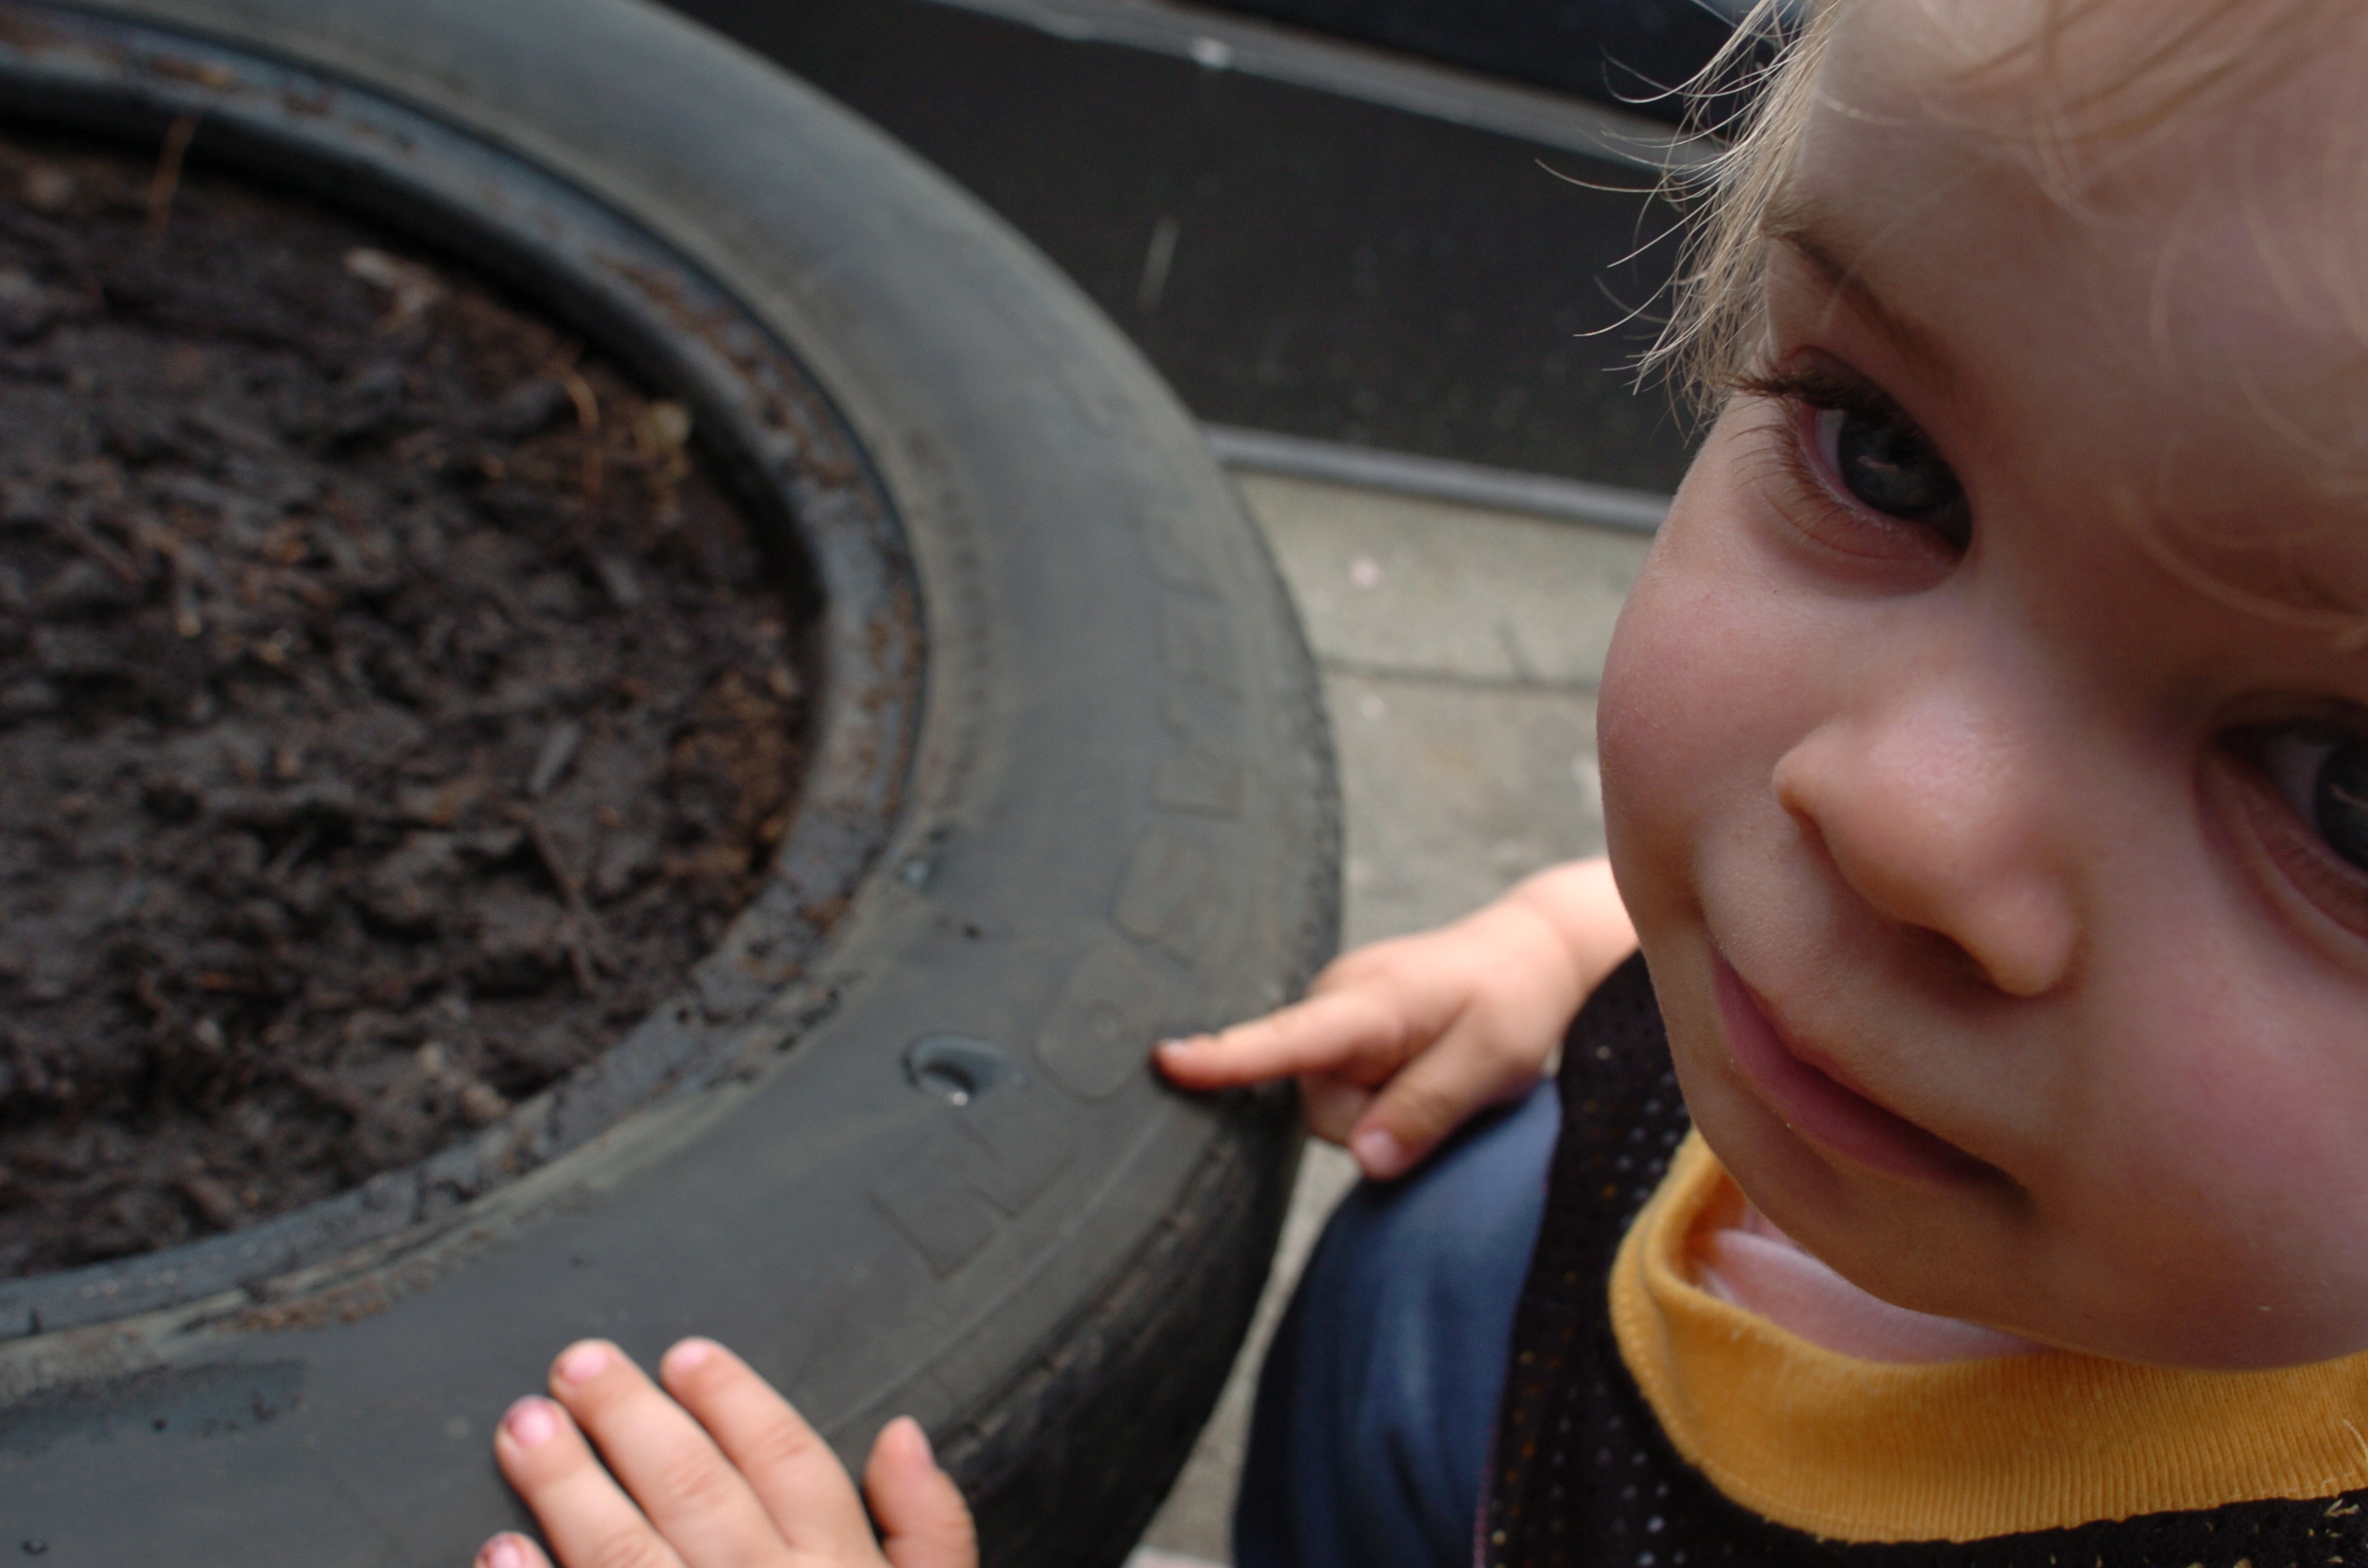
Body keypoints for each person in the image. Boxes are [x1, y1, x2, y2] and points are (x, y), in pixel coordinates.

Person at [475, 0, 2368, 1561]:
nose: (1892, 824)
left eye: (2341, 790)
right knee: (1457, 1228)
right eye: (1886, 455)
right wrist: (1574, 935)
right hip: (1523, 1377)